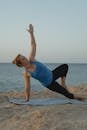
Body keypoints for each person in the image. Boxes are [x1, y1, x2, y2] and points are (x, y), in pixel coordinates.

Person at [12, 24, 85, 101]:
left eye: (24, 57)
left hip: (52, 74)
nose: (25, 58)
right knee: (67, 94)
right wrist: (27, 99)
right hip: (49, 84)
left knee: (65, 66)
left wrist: (31, 33)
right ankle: (79, 98)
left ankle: (63, 83)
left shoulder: (32, 59)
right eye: (23, 59)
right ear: (21, 64)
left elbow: (33, 45)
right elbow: (27, 87)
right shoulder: (26, 73)